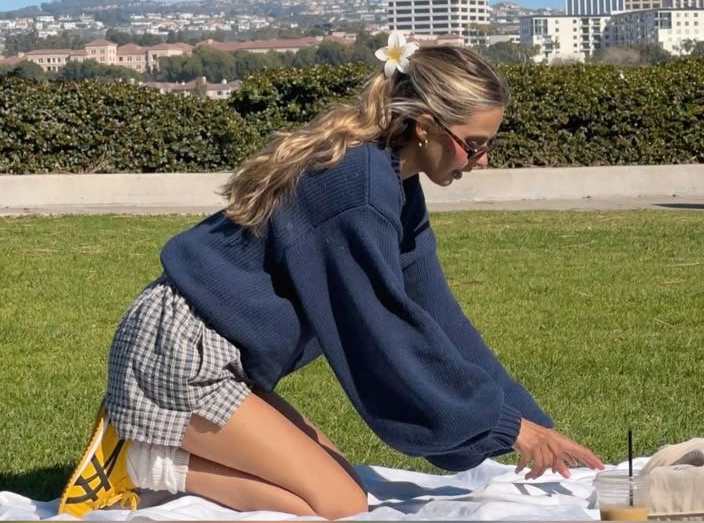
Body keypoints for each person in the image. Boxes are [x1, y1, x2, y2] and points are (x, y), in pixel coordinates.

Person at [59, 35, 604, 519]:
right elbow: (386, 337)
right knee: (340, 501)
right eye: (474, 143)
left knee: (341, 475)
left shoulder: (394, 182)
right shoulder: (357, 188)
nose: (481, 161)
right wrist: (505, 427)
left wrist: (531, 422)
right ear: (426, 126)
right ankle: (138, 463)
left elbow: (439, 316)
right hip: (179, 355)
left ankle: (155, 449)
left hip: (218, 353)